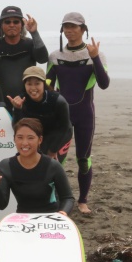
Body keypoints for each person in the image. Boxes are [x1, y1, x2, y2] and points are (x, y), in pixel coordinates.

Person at [46, 12, 110, 214]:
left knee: (83, 158)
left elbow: (104, 84)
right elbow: (48, 84)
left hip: (84, 115)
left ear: (83, 29)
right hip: (62, 116)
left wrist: (95, 58)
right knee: (57, 159)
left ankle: (83, 200)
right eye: (66, 26)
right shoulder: (55, 56)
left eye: (74, 26)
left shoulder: (95, 54)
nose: (69, 30)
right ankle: (57, 199)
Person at [0, 118, 75, 215]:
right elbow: (1, 205)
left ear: (40, 140)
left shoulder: (52, 165)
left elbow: (68, 198)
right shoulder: (6, 166)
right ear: (14, 139)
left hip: (50, 218)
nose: (24, 143)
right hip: (23, 219)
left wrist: (62, 213)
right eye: (20, 137)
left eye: (30, 138)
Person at [0, 6, 48, 110]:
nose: (12, 25)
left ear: (22, 25)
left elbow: (43, 59)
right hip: (0, 101)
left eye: (16, 22)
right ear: (1, 25)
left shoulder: (30, 44)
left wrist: (34, 33)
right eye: (7, 22)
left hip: (28, 100)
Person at [8, 66, 72, 160]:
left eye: (37, 83)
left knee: (54, 167)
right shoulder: (20, 100)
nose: (33, 88)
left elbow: (64, 128)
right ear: (24, 85)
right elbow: (17, 128)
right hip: (37, 137)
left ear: (43, 84)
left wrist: (53, 150)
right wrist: (17, 109)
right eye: (29, 84)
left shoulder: (58, 101)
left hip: (60, 136)